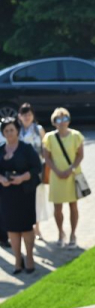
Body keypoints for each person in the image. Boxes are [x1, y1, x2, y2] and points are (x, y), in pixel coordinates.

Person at [0, 117, 42, 274]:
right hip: (6, 195)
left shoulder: (26, 149)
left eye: (11, 130)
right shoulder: (1, 150)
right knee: (11, 228)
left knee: (25, 227)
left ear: (17, 130)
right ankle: (18, 260)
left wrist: (22, 177)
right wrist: (2, 179)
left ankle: (29, 258)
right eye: (6, 131)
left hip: (24, 193)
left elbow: (37, 167)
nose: (9, 133)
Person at [42, 108, 85, 248]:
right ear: (54, 122)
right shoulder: (49, 137)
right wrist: (57, 171)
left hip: (72, 175)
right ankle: (61, 233)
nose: (62, 122)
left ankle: (73, 234)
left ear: (69, 120)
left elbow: (80, 155)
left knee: (73, 205)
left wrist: (70, 169)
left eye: (65, 118)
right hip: (57, 176)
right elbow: (46, 157)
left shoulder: (76, 135)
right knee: (57, 208)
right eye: (59, 119)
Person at [18, 103, 50, 240]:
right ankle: (26, 227)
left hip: (37, 169)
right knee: (23, 199)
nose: (27, 117)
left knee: (37, 199)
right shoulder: (17, 130)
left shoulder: (39, 129)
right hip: (21, 170)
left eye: (29, 114)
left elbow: (45, 148)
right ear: (19, 116)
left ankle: (37, 228)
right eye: (24, 114)